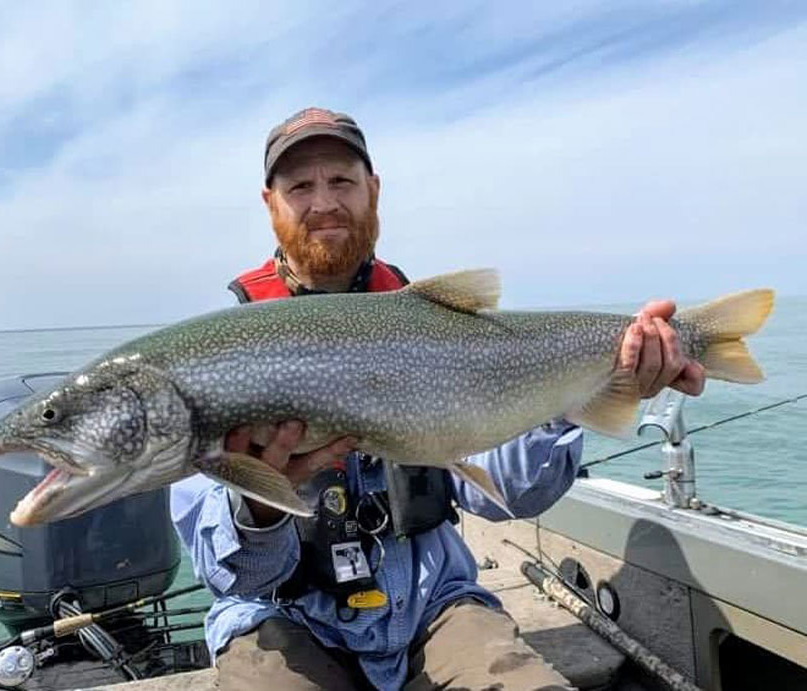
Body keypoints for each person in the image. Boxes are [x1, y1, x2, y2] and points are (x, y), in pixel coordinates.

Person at [171, 107, 705, 691]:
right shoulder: (217, 358)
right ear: (270, 203)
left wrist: (578, 387)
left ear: (373, 191)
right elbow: (242, 575)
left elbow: (513, 496)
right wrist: (263, 504)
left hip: (434, 607)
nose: (324, 201)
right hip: (282, 618)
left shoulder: (435, 332)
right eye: (301, 185)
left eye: (342, 181)